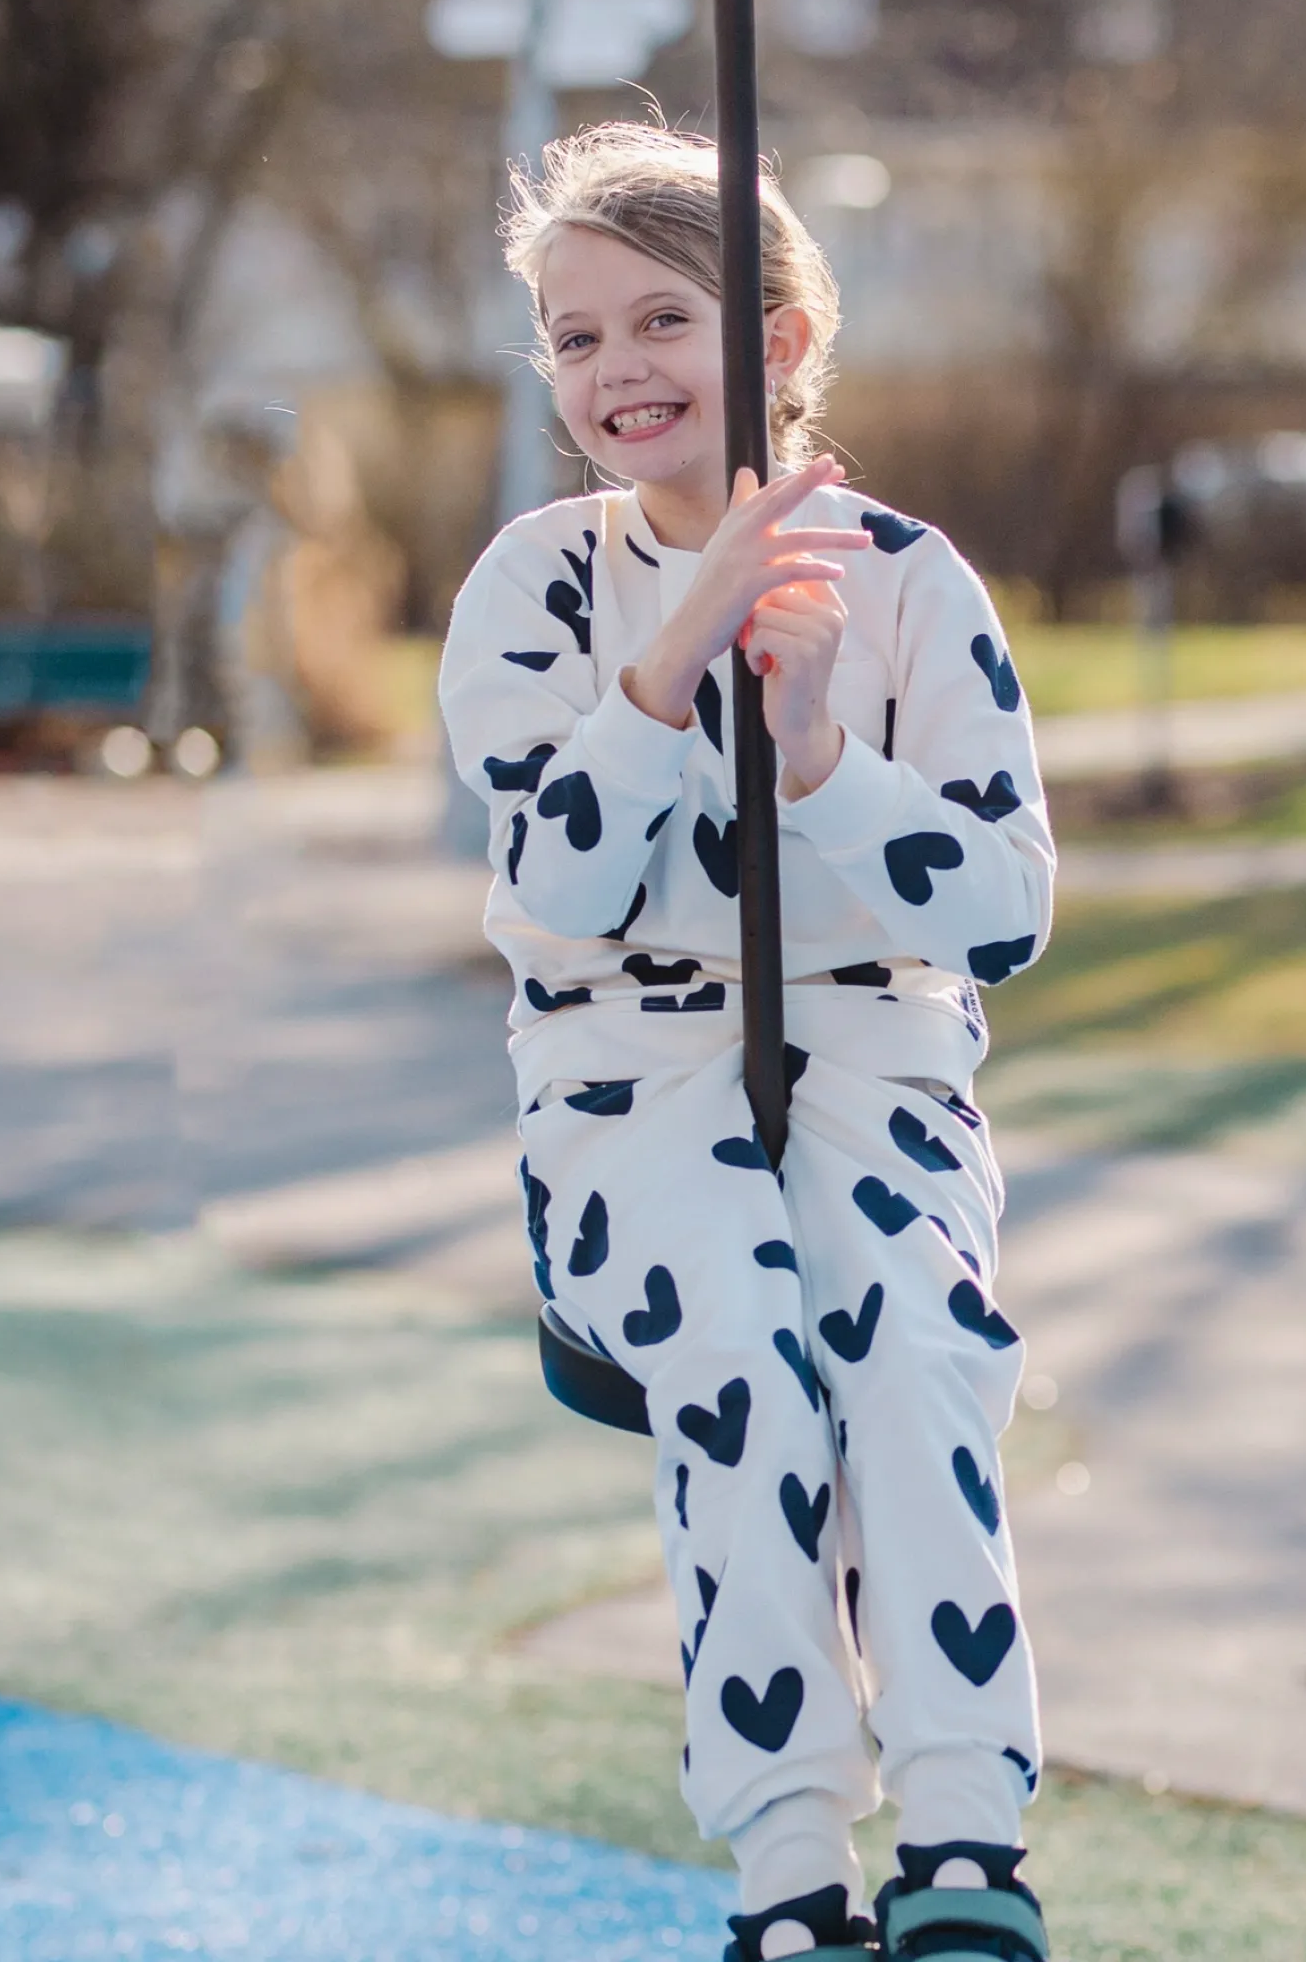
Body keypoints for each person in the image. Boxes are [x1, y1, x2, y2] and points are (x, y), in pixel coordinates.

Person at [439, 123, 1054, 1962]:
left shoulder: (910, 584)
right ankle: (790, 1871)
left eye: (663, 319)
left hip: (873, 1068)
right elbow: (561, 884)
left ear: (778, 341)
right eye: (576, 335)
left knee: (914, 1351)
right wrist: (679, 646)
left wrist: (819, 759)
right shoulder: (536, 588)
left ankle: (965, 1843)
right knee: (748, 1363)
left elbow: (1002, 909)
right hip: (629, 1089)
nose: (616, 368)